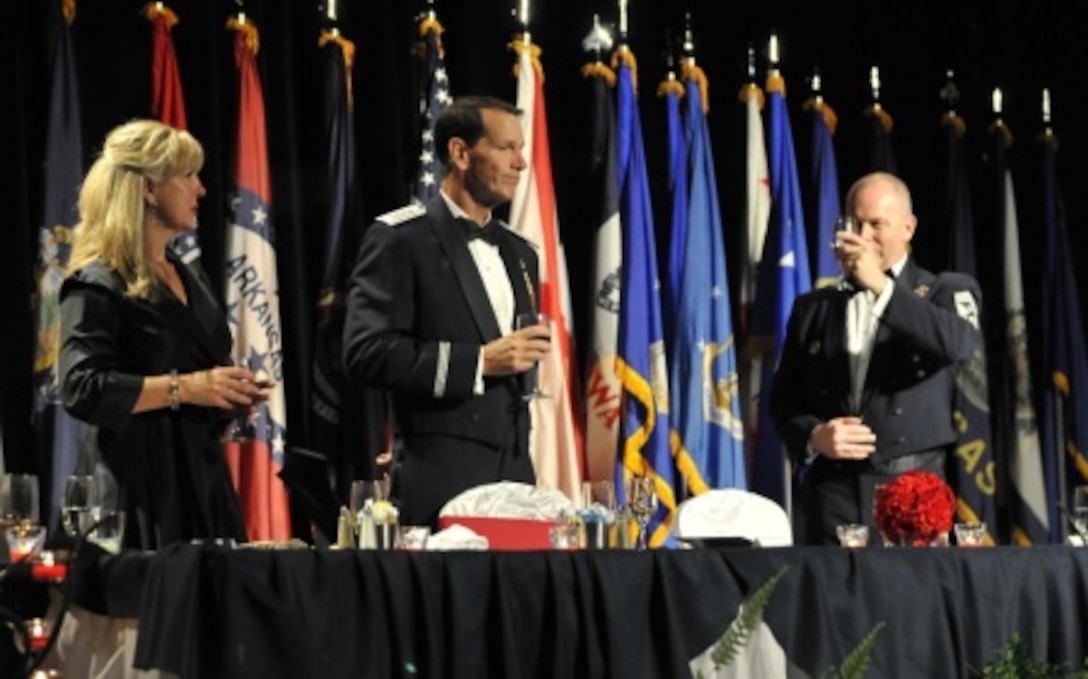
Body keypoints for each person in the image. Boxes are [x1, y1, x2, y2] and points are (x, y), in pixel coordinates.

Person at [59, 119, 271, 549]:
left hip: (205, 485)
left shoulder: (190, 277)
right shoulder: (98, 282)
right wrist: (189, 388)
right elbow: (81, 388)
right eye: (187, 176)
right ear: (147, 189)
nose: (201, 189)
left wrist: (228, 399)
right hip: (138, 493)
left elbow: (200, 380)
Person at [342, 95, 550, 529]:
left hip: (516, 479)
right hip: (441, 479)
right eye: (506, 148)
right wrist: (478, 362)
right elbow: (365, 351)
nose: (521, 163)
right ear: (459, 152)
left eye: (521, 149)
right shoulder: (399, 239)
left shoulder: (521, 253)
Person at [769, 171, 982, 545]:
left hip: (913, 494)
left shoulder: (945, 290)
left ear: (908, 227)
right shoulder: (812, 309)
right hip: (831, 494)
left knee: (910, 602)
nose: (864, 236)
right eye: (856, 223)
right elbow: (782, 402)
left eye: (877, 224)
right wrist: (815, 435)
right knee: (830, 601)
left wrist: (880, 286)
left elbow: (960, 343)